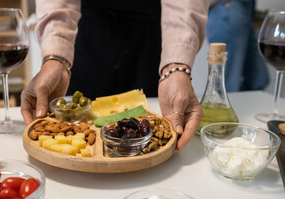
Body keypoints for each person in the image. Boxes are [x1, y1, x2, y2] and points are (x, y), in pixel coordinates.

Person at [21, 0, 210, 152]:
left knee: (145, 134)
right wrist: (55, 59)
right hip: (87, 31)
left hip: (150, 31)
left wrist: (177, 68)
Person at [207, 0, 269, 92]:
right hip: (228, 9)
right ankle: (227, 105)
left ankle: (238, 105)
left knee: (258, 80)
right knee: (229, 85)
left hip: (246, 9)